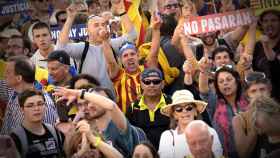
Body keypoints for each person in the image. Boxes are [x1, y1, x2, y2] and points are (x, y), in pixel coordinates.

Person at [56, 1, 137, 94]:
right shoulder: (83, 48)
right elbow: (60, 49)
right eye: (96, 25)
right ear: (87, 31)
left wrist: (122, 11)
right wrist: (70, 18)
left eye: (103, 25)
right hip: (89, 101)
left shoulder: (111, 44)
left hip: (112, 100)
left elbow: (132, 36)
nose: (101, 28)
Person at [53, 86, 146, 157]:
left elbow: (112, 106)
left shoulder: (120, 126)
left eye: (97, 100)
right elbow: (68, 153)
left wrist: (79, 93)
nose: (91, 105)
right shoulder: (89, 130)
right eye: (89, 101)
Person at [104, 12, 162, 113]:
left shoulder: (147, 71)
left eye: (132, 54)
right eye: (125, 56)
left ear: (138, 56)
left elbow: (153, 55)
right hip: (128, 122)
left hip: (150, 117)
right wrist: (104, 41)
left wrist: (156, 30)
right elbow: (111, 62)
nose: (129, 58)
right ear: (121, 61)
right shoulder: (118, 75)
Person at [199, 65, 249, 157]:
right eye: (221, 81)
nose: (225, 83)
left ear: (237, 81)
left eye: (229, 79)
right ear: (217, 86)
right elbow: (204, 92)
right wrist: (203, 71)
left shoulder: (247, 99)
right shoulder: (214, 103)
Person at [0, 56, 58, 135]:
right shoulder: (13, 90)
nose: (4, 75)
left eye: (8, 72)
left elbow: (47, 138)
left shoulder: (43, 105)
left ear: (19, 78)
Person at [158, 90, 223, 158]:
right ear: (174, 115)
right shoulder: (167, 136)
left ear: (195, 111)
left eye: (189, 108)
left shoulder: (210, 131)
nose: (184, 111)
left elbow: (217, 155)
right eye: (179, 109)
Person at [10, 90, 64, 158]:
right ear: (22, 110)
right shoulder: (15, 137)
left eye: (40, 104)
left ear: (46, 106)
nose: (36, 108)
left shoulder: (54, 131)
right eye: (30, 105)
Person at [126, 68, 170, 150]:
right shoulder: (133, 108)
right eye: (147, 82)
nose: (151, 85)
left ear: (163, 84)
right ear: (141, 85)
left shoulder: (171, 103)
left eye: (156, 82)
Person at [233, 71, 272, 158]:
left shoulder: (277, 113)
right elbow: (243, 154)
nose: (259, 95)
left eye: (262, 89)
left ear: (269, 92)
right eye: (253, 91)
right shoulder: (239, 119)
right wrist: (255, 119)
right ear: (247, 96)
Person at [252, 9, 280, 102]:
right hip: (266, 99)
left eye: (273, 20)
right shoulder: (258, 46)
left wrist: (267, 46)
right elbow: (256, 72)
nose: (269, 24)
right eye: (265, 21)